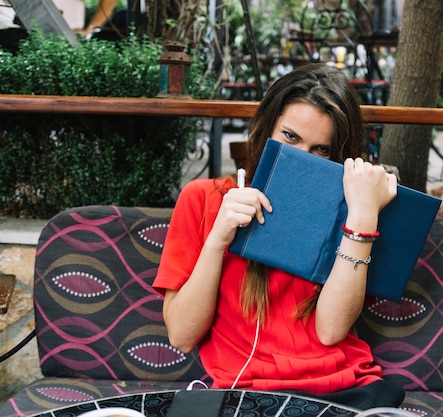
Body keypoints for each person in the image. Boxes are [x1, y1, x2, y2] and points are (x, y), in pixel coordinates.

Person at [153, 63, 405, 409]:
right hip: (245, 396)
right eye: (289, 137)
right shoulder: (203, 198)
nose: (301, 159)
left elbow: (330, 332)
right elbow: (181, 336)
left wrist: (362, 216)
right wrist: (218, 239)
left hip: (345, 390)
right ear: (264, 130)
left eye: (321, 149)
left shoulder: (350, 209)